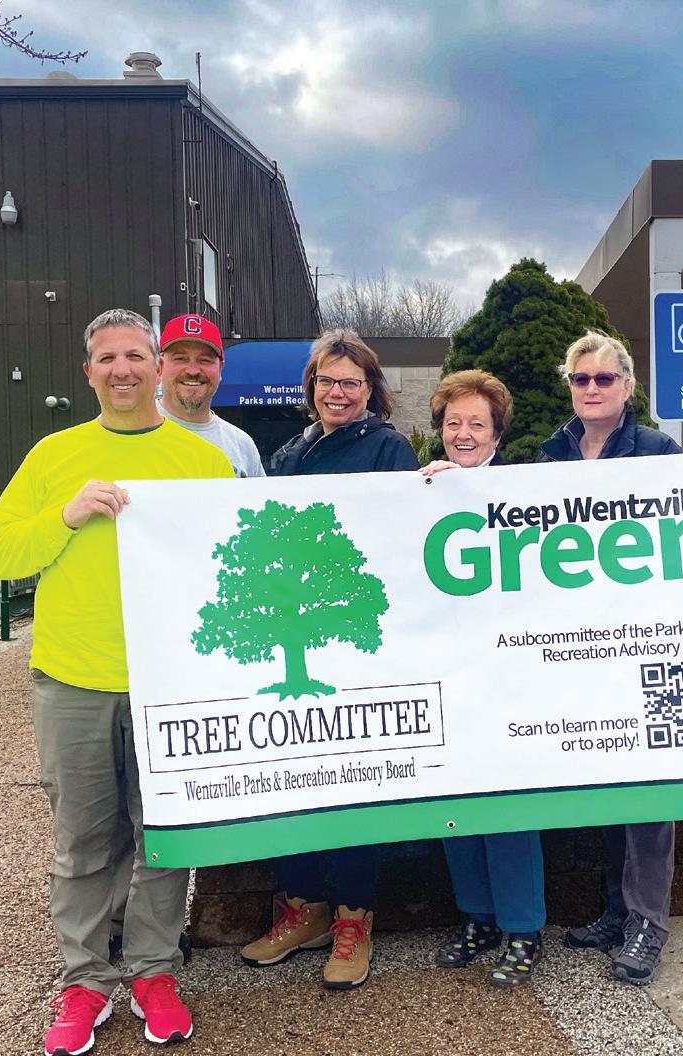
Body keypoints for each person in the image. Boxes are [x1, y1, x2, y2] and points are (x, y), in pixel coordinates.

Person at [0, 308, 233, 1054]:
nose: (123, 369)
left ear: (157, 369)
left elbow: (232, 560)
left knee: (165, 838)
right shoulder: (55, 455)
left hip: (170, 680)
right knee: (83, 842)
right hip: (75, 678)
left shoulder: (201, 462)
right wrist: (65, 516)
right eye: (108, 358)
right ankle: (85, 981)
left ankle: (154, 972)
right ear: (88, 372)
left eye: (135, 356)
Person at [239, 328, 419, 990]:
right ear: (310, 387)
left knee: (350, 780)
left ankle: (352, 917)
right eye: (326, 381)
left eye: (350, 382)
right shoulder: (289, 452)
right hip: (295, 633)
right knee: (294, 776)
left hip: (352, 632)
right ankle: (302, 908)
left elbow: (403, 536)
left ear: (371, 389)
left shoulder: (387, 449)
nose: (336, 392)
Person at [542, 331, 683, 987]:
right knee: (605, 780)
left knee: (650, 791)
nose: (592, 388)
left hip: (643, 642)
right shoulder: (550, 456)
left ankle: (649, 923)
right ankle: (616, 911)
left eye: (604, 378)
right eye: (581, 379)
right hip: (581, 649)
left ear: (627, 386)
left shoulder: (658, 452)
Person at [420, 370, 548, 988]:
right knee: (456, 806)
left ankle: (523, 928)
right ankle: (479, 919)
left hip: (509, 675)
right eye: (453, 423)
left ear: (498, 433)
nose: (463, 433)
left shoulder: (522, 491)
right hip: (447, 674)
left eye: (477, 423)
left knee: (509, 806)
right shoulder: (422, 490)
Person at [156, 312, 265, 477]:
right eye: (180, 358)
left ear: (220, 369)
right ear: (159, 366)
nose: (193, 371)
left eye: (205, 360)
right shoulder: (131, 430)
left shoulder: (242, 446)